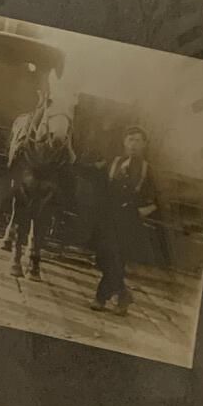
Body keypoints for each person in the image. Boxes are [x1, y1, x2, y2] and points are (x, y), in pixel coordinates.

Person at [90, 128, 157, 314]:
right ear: (124, 143)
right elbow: (103, 185)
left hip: (129, 222)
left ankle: (100, 298)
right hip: (109, 218)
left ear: (144, 145)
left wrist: (142, 211)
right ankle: (123, 294)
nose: (133, 144)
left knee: (116, 259)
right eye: (130, 140)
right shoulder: (115, 162)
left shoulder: (146, 169)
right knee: (103, 258)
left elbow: (155, 200)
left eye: (138, 141)